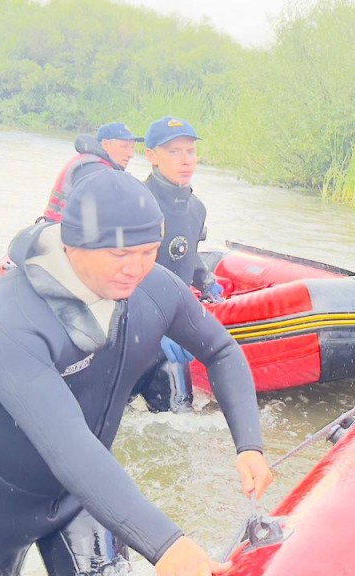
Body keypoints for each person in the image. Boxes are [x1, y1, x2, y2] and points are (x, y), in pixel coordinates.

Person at [0, 170, 273, 575]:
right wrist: (167, 545)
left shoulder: (157, 288)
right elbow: (66, 444)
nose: (136, 269)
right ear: (73, 244)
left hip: (84, 495)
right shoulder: (8, 316)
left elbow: (222, 350)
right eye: (120, 254)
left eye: (149, 251)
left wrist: (249, 444)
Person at [134, 116, 222, 413]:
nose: (185, 160)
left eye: (190, 151)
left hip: (172, 333)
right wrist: (152, 328)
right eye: (173, 152)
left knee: (179, 420)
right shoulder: (135, 202)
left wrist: (205, 280)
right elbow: (120, 271)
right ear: (151, 156)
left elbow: (184, 252)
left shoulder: (197, 208)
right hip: (131, 331)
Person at [42, 122, 144, 222]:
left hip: (65, 228)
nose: (131, 154)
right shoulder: (94, 170)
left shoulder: (90, 162)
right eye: (124, 147)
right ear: (105, 144)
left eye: (132, 147)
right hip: (60, 230)